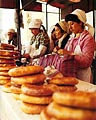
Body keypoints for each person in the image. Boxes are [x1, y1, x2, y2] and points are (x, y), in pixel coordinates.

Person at [64, 9, 95, 83]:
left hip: (83, 76)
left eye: (72, 24)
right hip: (71, 74)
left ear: (80, 23)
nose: (69, 28)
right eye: (68, 25)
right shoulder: (71, 38)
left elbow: (87, 62)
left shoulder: (88, 38)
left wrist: (69, 54)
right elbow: (65, 52)